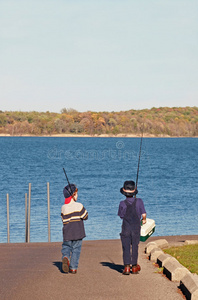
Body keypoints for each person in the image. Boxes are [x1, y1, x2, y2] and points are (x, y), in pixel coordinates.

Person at [118, 180, 146, 275]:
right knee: (135, 246)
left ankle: (126, 267)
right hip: (136, 227)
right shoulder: (139, 201)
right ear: (134, 191)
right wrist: (144, 219)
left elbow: (121, 215)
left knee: (126, 247)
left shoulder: (122, 203)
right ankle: (134, 266)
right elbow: (144, 214)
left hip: (126, 227)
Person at [61, 183, 88, 274]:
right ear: (73, 195)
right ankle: (73, 268)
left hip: (67, 233)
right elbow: (85, 216)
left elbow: (63, 220)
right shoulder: (79, 205)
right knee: (76, 249)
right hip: (78, 232)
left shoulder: (63, 208)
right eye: (76, 194)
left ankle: (65, 257)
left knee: (66, 247)